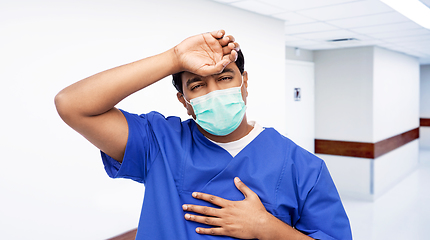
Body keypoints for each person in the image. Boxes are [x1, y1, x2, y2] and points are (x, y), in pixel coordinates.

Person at [55, 30, 352, 240]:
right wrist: (173, 58)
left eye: (225, 78)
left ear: (244, 83)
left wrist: (266, 227)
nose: (214, 92)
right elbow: (72, 105)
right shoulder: (159, 142)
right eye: (197, 86)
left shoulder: (303, 168)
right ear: (184, 101)